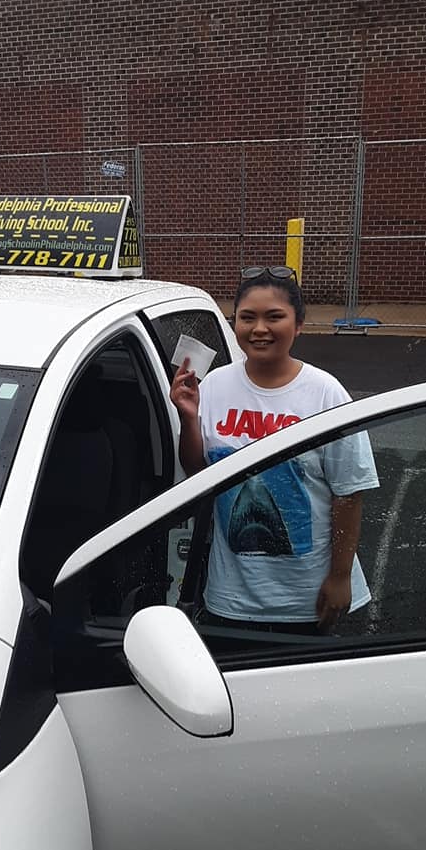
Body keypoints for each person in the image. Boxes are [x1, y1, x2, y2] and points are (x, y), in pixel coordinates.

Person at [170, 266, 379, 634]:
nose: (259, 329)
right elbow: (199, 473)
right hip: (231, 596)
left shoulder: (324, 392)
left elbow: (349, 492)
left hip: (307, 597)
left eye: (274, 317)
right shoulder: (216, 384)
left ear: (298, 325)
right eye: (247, 317)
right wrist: (188, 418)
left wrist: (340, 576)